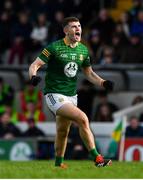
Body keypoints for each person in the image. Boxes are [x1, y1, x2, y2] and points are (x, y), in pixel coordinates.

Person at [29, 17, 114, 168]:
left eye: (79, 26)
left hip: (71, 96)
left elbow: (89, 73)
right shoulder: (54, 47)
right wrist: (33, 77)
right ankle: (97, 158)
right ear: (66, 30)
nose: (78, 29)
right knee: (82, 118)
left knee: (62, 132)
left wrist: (102, 82)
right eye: (74, 26)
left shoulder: (83, 49)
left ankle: (58, 164)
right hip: (54, 95)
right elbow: (35, 64)